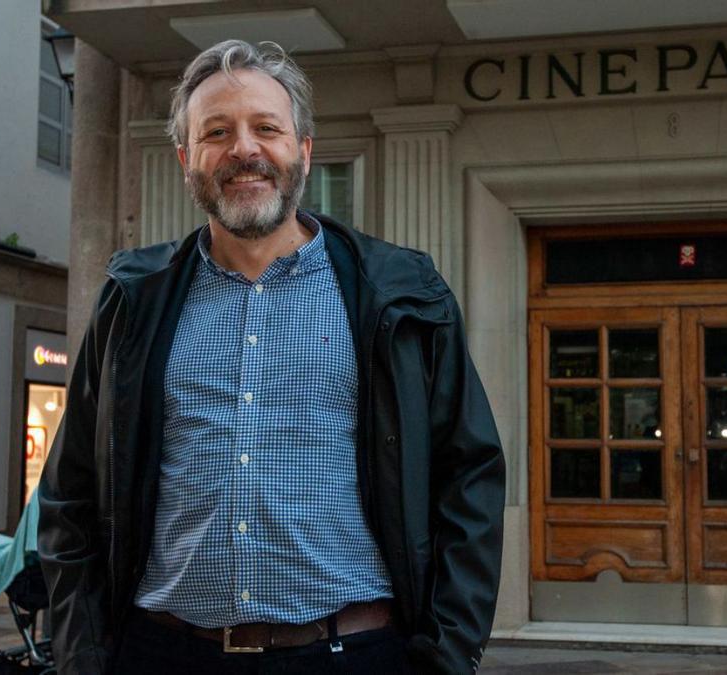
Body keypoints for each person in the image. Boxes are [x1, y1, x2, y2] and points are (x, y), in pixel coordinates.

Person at [38, 39, 505, 675]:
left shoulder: (401, 293)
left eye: (266, 127)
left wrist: (449, 655)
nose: (244, 150)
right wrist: (82, 657)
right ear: (186, 158)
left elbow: (468, 475)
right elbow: (71, 497)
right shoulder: (132, 301)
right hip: (164, 653)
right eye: (217, 132)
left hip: (354, 653)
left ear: (303, 151)